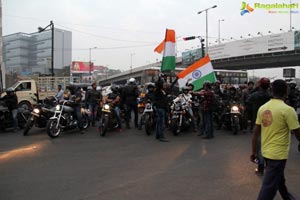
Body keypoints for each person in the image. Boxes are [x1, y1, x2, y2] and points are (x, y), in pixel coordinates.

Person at [251, 79, 300, 200]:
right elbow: (298, 133)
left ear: (272, 91)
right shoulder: (288, 110)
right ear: (286, 92)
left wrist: (254, 151)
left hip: (266, 152)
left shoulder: (263, 108)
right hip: (278, 156)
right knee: (268, 188)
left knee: (279, 181)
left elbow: (256, 132)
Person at [248, 77, 271, 176]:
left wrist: (255, 88)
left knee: (258, 145)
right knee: (268, 143)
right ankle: (268, 165)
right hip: (269, 122)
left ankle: (261, 166)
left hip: (257, 121)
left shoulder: (254, 95)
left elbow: (247, 101)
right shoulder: (270, 96)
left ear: (259, 85)